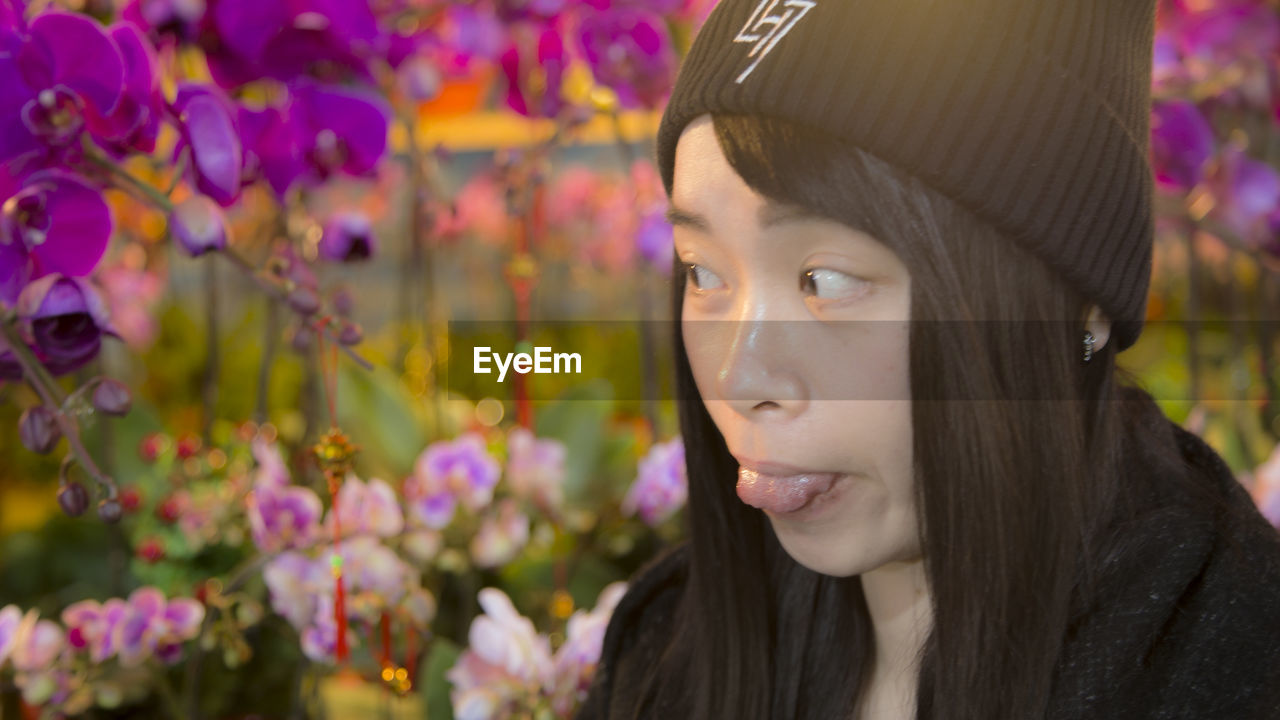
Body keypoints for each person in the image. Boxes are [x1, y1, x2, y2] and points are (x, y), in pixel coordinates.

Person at [576, 1, 1280, 719]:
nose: (740, 378)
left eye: (825, 282)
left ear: (1077, 311)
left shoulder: (1235, 666)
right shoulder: (664, 648)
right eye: (703, 272)